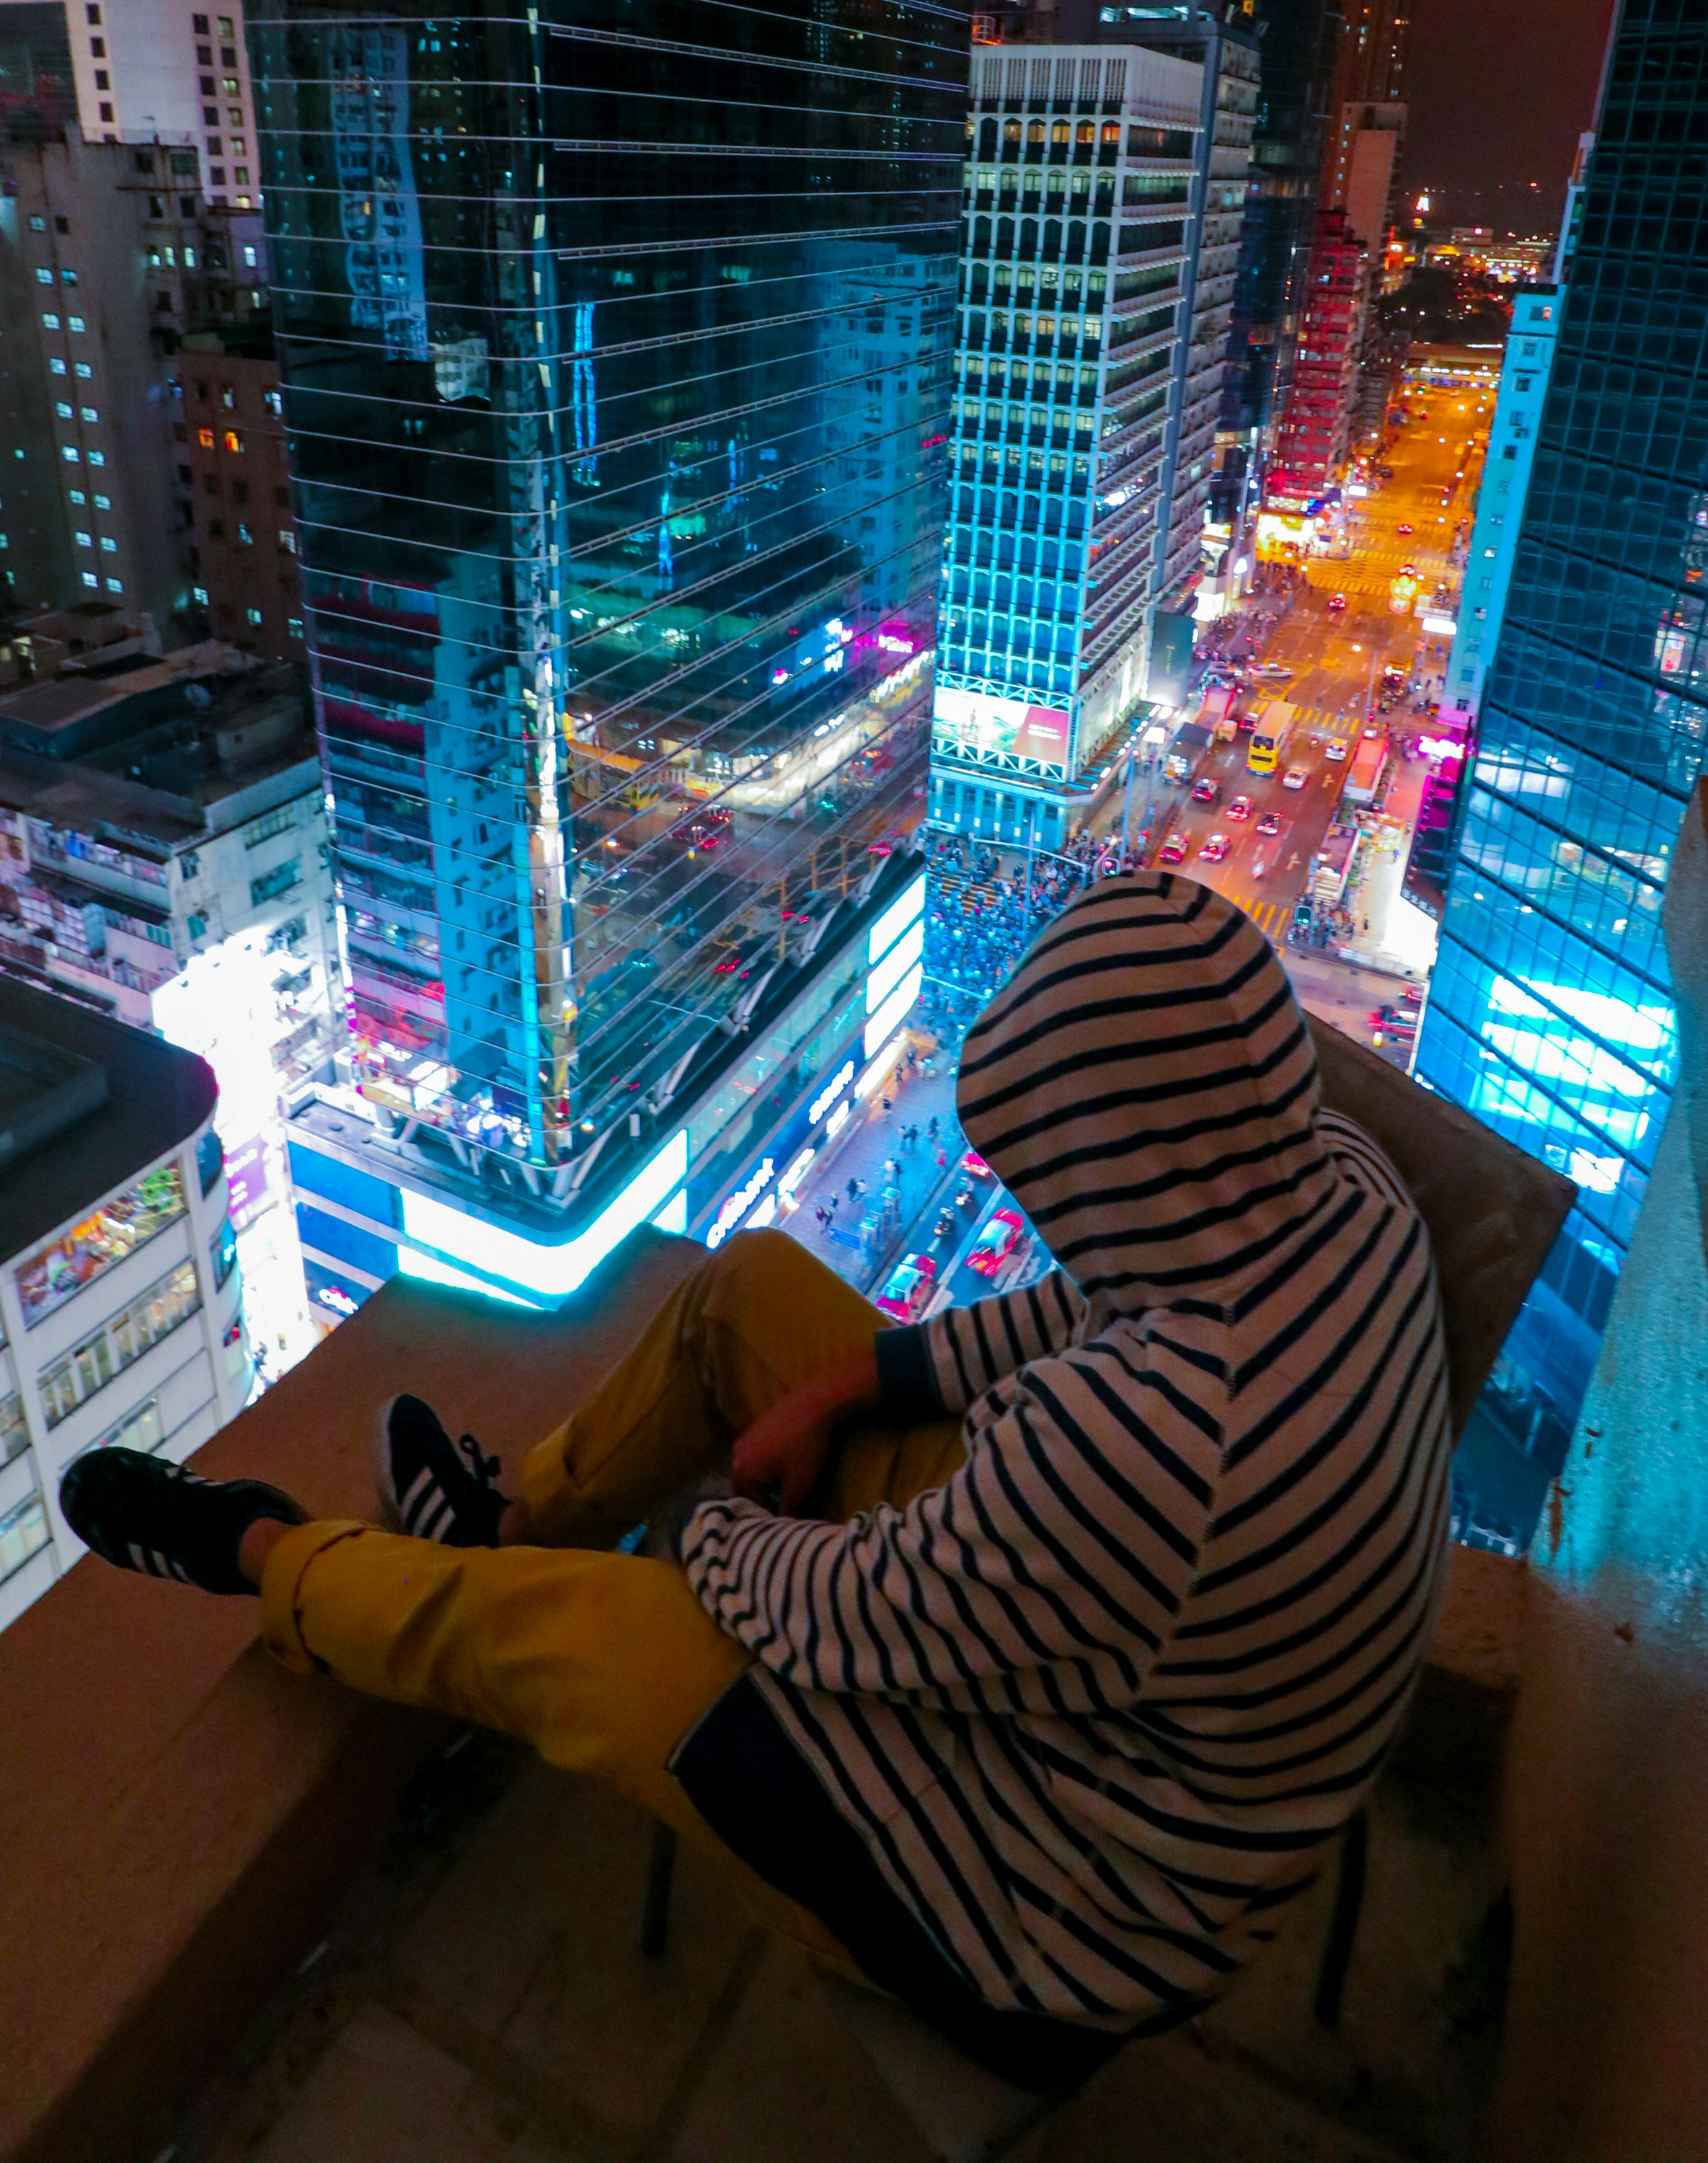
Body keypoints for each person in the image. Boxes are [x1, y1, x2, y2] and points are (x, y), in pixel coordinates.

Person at [61, 875, 1450, 2089]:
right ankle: (505, 1523)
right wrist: (849, 1387)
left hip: (1050, 1907)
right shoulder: (1331, 1181)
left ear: (1120, 1171)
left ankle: (260, 1554)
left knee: (597, 1636)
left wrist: (706, 1527)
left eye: (1055, 1188)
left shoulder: (1157, 1445)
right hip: (1150, 1692)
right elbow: (1089, 1313)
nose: (1044, 1223)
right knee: (747, 1298)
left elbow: (827, 1616)